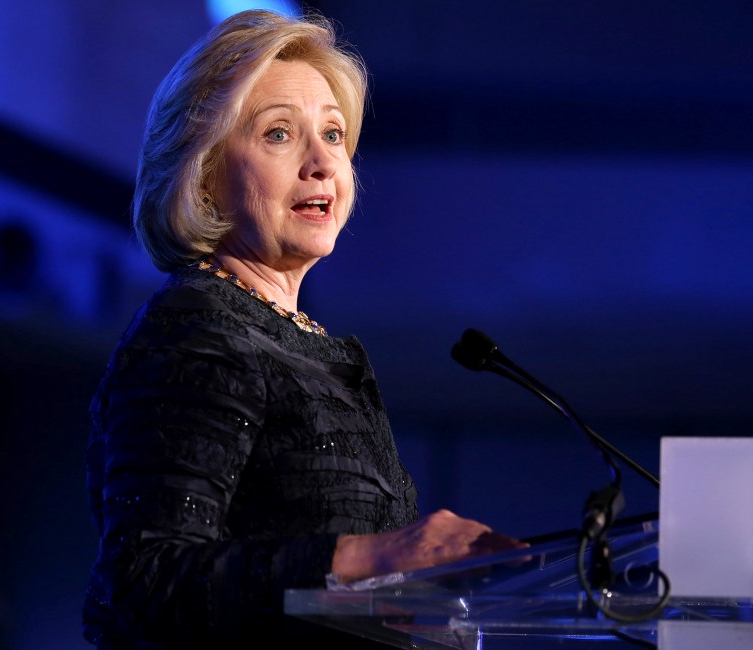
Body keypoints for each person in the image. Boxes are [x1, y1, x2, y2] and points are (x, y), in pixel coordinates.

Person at [83, 9, 526, 648]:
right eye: (280, 135)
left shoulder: (305, 345)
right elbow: (148, 579)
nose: (322, 163)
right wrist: (373, 556)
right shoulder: (199, 333)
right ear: (205, 177)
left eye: (334, 135)